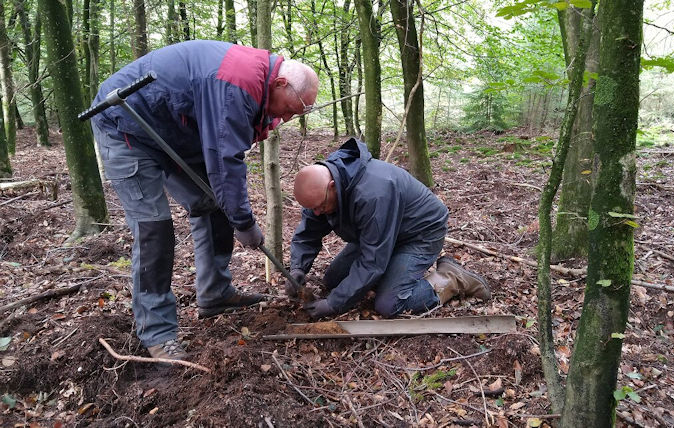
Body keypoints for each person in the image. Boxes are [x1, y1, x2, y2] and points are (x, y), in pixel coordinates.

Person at [90, 40, 319, 360]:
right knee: (154, 229)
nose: (287, 118)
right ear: (280, 83)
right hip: (126, 124)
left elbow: (230, 148)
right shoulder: (235, 86)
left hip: (174, 130)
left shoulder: (259, 84)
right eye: (289, 110)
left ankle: (215, 294)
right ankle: (157, 332)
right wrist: (245, 223)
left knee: (214, 205)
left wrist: (235, 214)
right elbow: (225, 162)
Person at [285, 138, 491, 319]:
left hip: (419, 234)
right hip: (382, 233)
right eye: (313, 208)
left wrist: (332, 304)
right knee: (333, 280)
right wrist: (297, 268)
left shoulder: (374, 193)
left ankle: (451, 277)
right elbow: (308, 232)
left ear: (332, 185)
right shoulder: (323, 191)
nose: (318, 212)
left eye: (321, 206)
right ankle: (393, 272)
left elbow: (372, 261)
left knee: (389, 304)